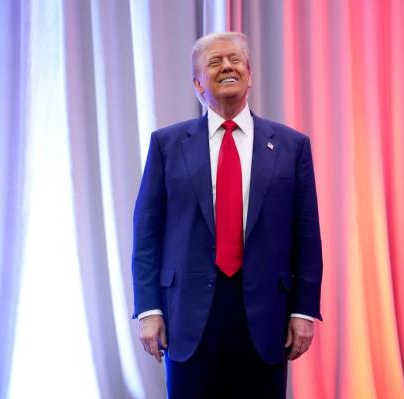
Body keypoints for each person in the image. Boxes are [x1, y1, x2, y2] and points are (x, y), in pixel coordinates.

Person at [131, 31, 323, 399]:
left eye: (235, 60)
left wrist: (303, 310)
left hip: (266, 315)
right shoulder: (167, 145)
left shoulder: (291, 145)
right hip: (187, 314)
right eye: (214, 62)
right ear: (197, 84)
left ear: (249, 75)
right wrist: (149, 309)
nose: (227, 67)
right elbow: (147, 233)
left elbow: (307, 235)